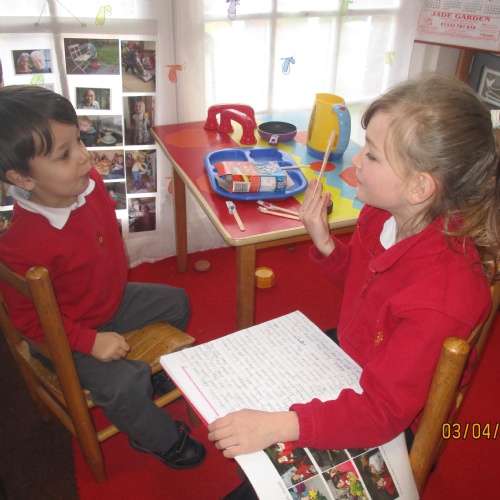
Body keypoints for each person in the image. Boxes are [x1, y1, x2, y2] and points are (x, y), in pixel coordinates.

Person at [208, 74, 500, 496]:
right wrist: (327, 245)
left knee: (262, 473)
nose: (357, 161)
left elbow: (383, 412)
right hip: (354, 358)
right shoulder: (381, 215)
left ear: (420, 187)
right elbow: (367, 289)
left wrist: (278, 425)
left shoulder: (442, 297)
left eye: (373, 155)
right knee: (245, 381)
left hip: (390, 417)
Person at [0, 85, 206, 470]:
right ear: (23, 178)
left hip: (108, 301)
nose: (83, 156)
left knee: (176, 301)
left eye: (78, 141)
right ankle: (158, 439)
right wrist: (88, 341)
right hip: (63, 335)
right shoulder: (21, 246)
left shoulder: (88, 182)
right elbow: (29, 325)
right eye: (64, 154)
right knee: (124, 385)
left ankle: (150, 380)